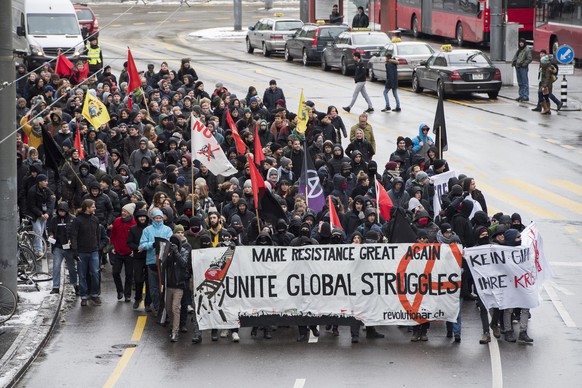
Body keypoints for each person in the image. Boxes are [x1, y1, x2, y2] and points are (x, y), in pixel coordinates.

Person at [139, 208, 173, 317]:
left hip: (164, 262)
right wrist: (152, 244)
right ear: (153, 219)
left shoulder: (167, 229)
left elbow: (171, 242)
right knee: (153, 287)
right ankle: (157, 307)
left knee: (164, 287)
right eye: (156, 218)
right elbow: (142, 245)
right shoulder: (147, 230)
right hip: (152, 262)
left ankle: (165, 308)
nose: (158, 220)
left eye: (160, 218)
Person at [71, 199, 102, 307]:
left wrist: (98, 247)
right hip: (81, 251)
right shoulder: (77, 220)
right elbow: (74, 235)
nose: (95, 208)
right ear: (87, 208)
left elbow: (97, 234)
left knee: (95, 273)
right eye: (93, 207)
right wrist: (75, 250)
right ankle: (84, 296)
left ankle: (94, 294)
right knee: (82, 275)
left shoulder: (95, 219)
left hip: (93, 250)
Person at [163, 233, 190, 342]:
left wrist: (176, 252)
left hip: (179, 285)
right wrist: (167, 254)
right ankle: (172, 325)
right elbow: (163, 265)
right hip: (169, 285)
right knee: (169, 308)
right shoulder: (169, 252)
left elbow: (183, 264)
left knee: (175, 308)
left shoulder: (184, 252)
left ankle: (175, 332)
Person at [48, 202, 78, 295]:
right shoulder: (54, 220)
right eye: (60, 211)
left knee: (72, 267)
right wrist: (51, 236)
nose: (61, 213)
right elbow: (50, 230)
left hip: (68, 247)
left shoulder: (72, 219)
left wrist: (72, 241)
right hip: (58, 246)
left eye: (63, 211)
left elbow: (75, 232)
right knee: (56, 267)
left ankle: (75, 284)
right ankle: (55, 287)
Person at [110, 203, 136, 302]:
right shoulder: (117, 221)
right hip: (118, 251)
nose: (123, 213)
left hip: (129, 253)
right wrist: (112, 246)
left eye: (125, 212)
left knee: (129, 274)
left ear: (130, 213)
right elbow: (113, 235)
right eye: (123, 211)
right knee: (115, 272)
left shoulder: (134, 223)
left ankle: (127, 294)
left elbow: (136, 238)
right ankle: (120, 291)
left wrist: (134, 250)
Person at [26, 173, 55, 257]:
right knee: (38, 231)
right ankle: (38, 249)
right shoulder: (32, 191)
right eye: (44, 181)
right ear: (40, 182)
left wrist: (47, 213)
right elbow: (31, 206)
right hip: (35, 215)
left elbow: (49, 203)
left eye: (47, 181)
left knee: (40, 231)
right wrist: (41, 214)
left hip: (43, 213)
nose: (46, 183)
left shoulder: (46, 190)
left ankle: (38, 248)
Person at [511, 38, 532, 102]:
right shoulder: (519, 50)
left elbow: (529, 58)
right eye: (520, 42)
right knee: (520, 83)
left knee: (524, 82)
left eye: (522, 42)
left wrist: (524, 64)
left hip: (523, 68)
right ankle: (521, 95)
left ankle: (525, 96)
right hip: (518, 67)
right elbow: (516, 57)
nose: (521, 43)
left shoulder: (527, 50)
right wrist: (514, 63)